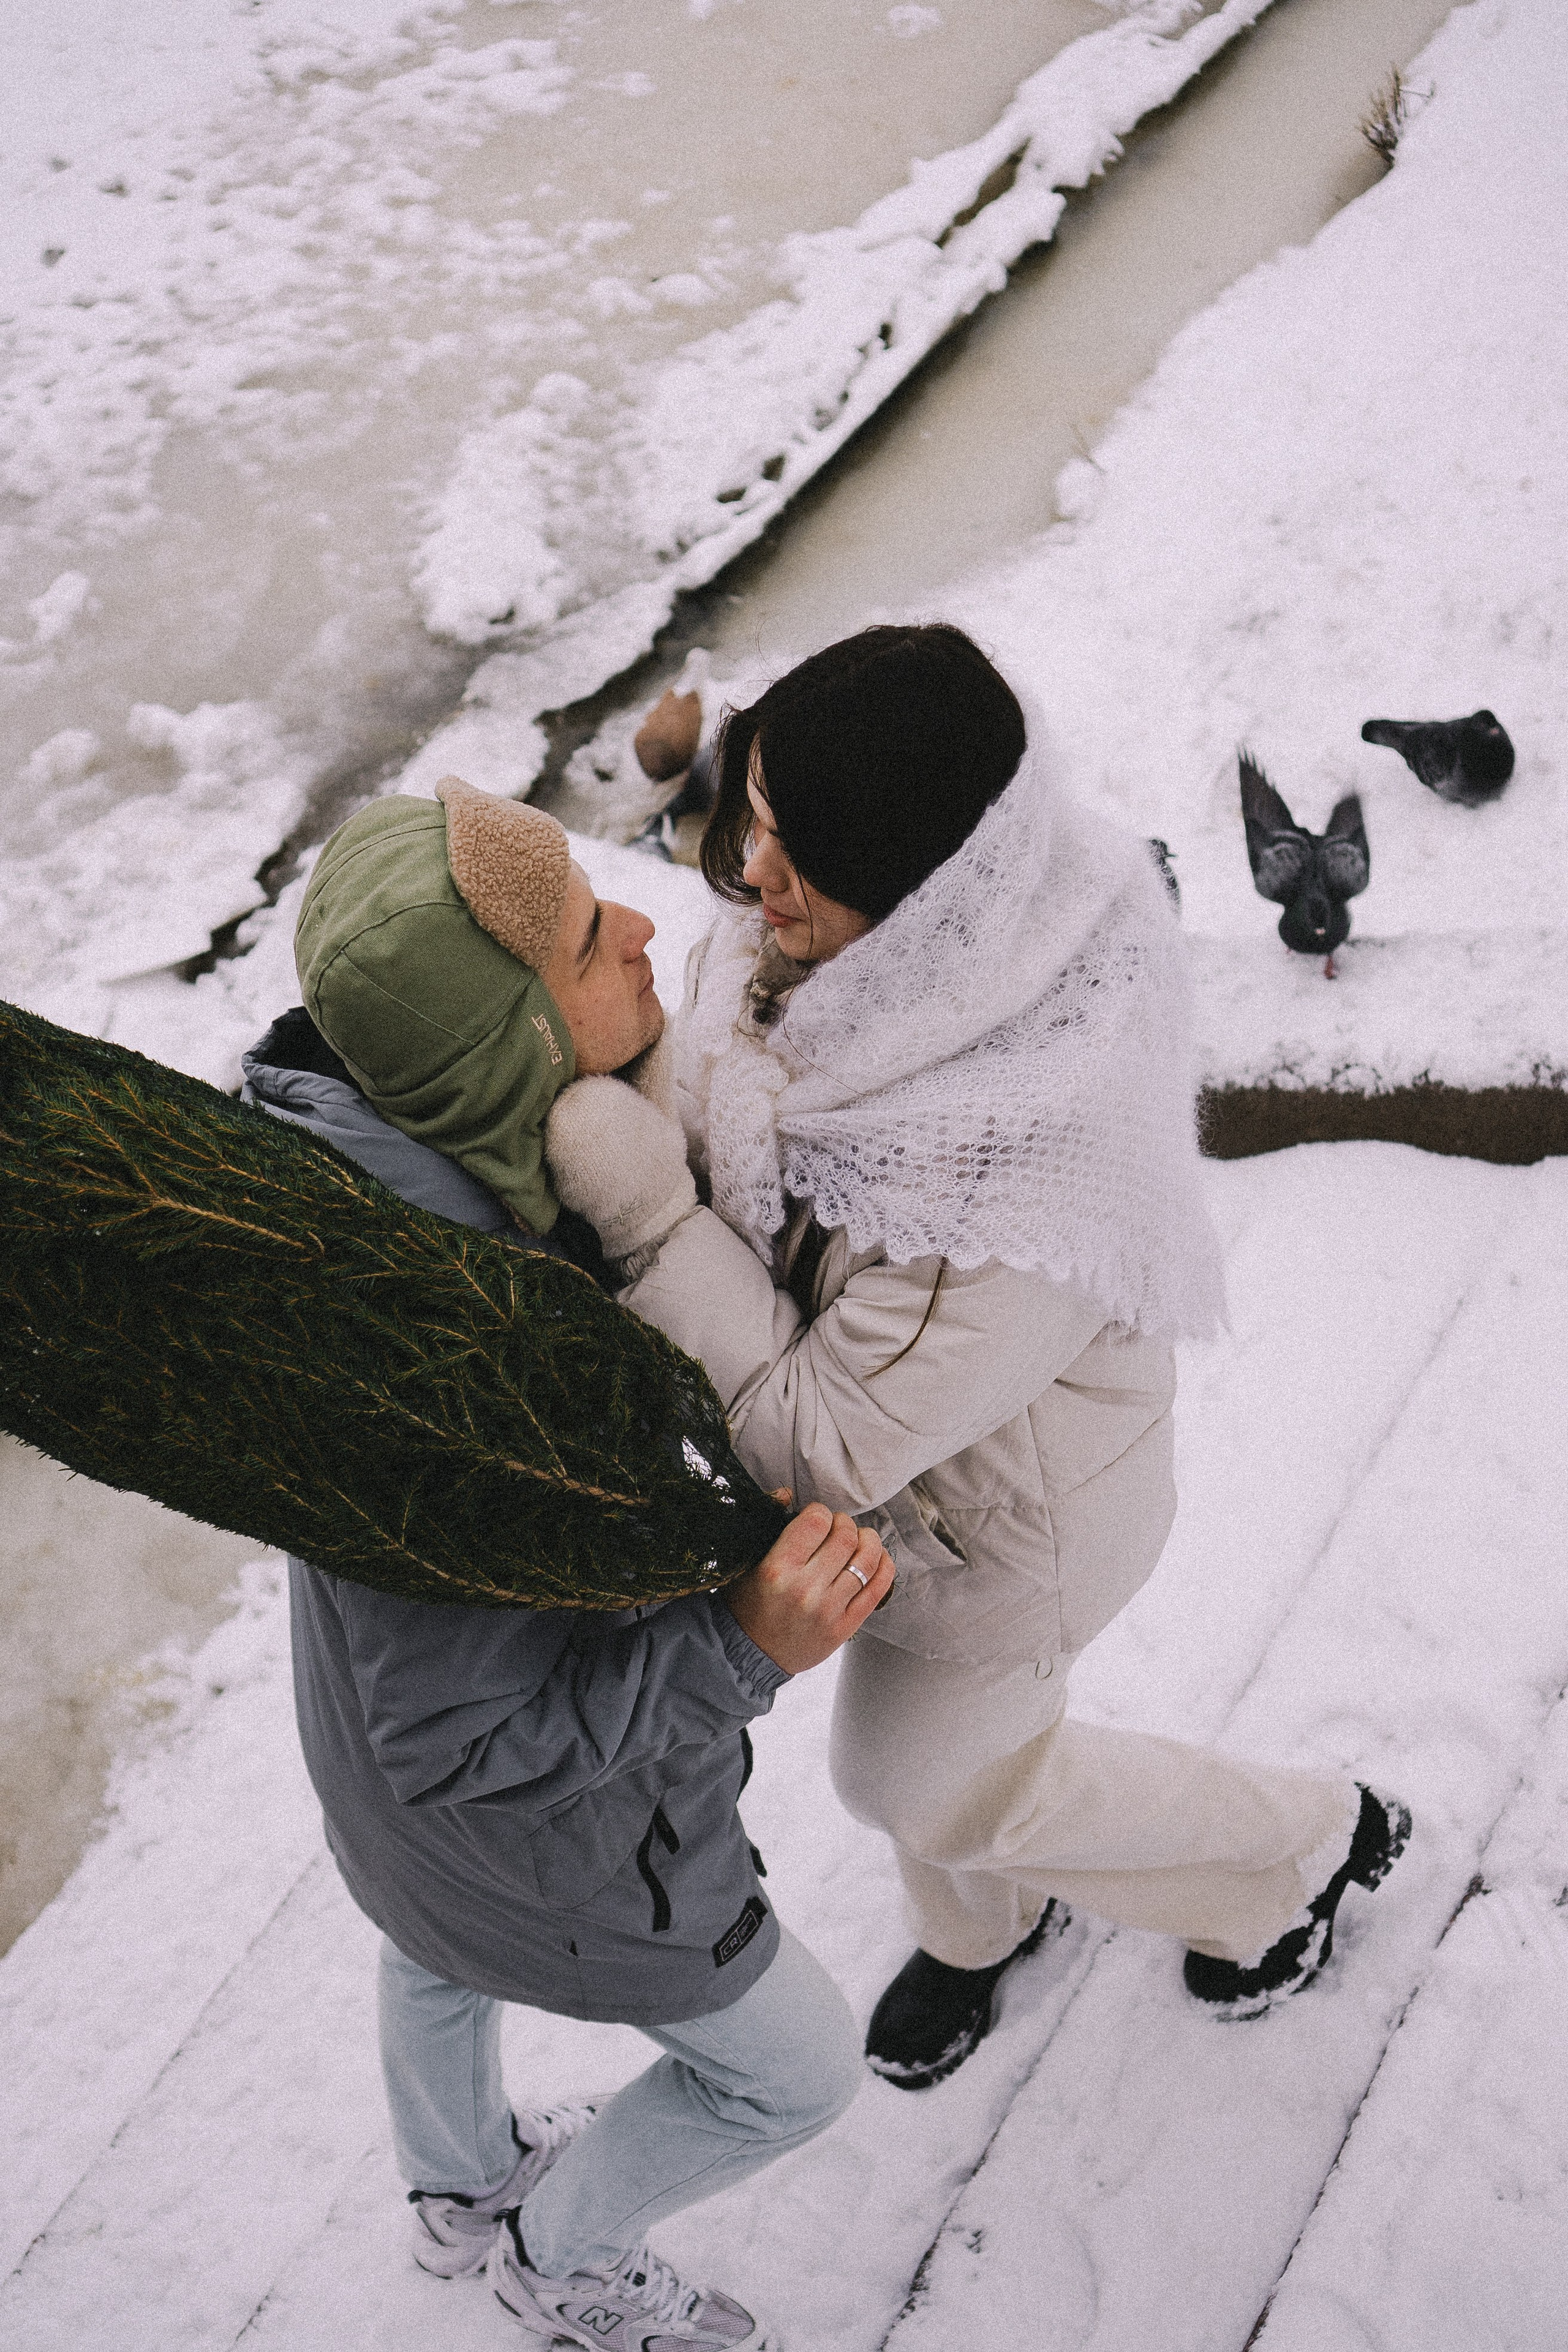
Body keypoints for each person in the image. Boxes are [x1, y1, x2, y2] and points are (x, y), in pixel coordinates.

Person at [543, 624, 1411, 2090]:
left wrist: (638, 1216)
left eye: (793, 853)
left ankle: (1296, 1851)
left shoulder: (1003, 1157)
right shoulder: (849, 941)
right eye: (752, 817)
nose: (749, 876)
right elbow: (716, 1078)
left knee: (907, 1776)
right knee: (957, 1775)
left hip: (1012, 1528)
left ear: (931, 904)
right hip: (918, 1509)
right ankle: (978, 1933)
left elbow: (827, 1437)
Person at [241, 778, 894, 2350]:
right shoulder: (465, 1364)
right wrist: (740, 1646)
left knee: (427, 1948)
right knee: (799, 2072)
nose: (645, 927)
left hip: (393, 1835)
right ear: (507, 1057)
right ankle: (557, 2252)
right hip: (551, 1851)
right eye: (592, 947)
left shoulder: (357, 1196)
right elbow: (461, 1737)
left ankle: (454, 2186)